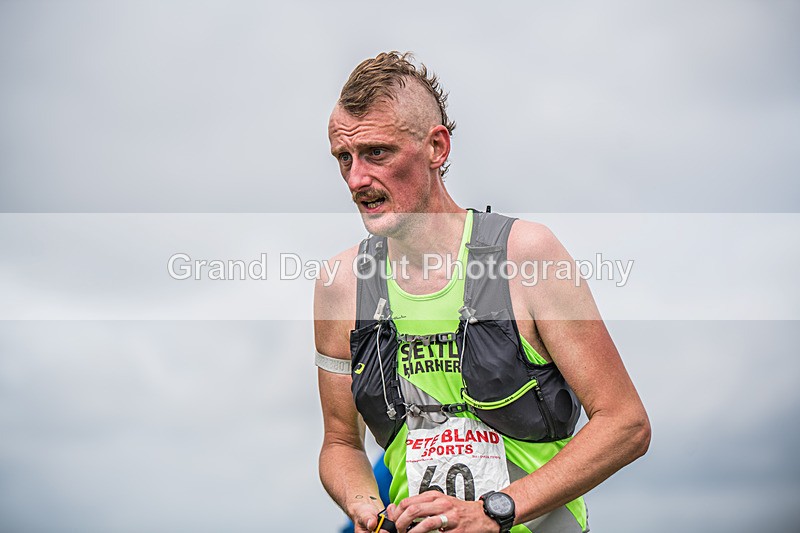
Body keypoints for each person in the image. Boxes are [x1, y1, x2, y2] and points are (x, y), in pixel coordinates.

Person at [315, 51, 650, 533]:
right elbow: (341, 444)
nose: (356, 179)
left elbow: (625, 424)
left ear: (436, 148)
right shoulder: (340, 285)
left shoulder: (527, 255)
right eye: (343, 158)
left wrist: (495, 509)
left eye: (377, 153)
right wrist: (368, 508)